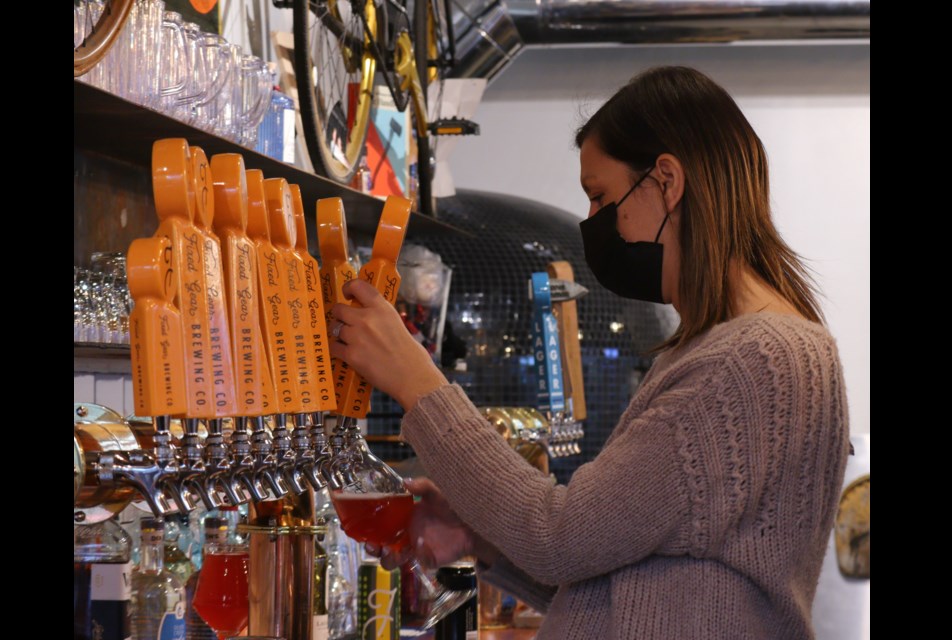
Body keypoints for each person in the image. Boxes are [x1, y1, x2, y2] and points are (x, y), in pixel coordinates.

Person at [328, 66, 850, 639]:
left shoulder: (750, 359)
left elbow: (560, 538)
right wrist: (480, 536)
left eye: (601, 197)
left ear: (667, 181)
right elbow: (634, 581)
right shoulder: (735, 349)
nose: (595, 223)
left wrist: (416, 382)